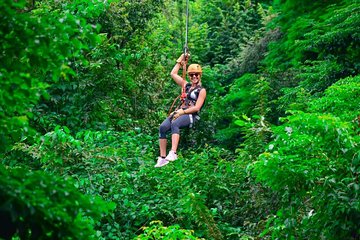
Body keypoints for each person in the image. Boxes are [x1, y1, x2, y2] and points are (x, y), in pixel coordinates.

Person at [155, 53, 207, 168]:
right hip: (180, 111)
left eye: (196, 75)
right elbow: (173, 74)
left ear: (200, 75)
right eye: (192, 75)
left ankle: (173, 152)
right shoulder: (186, 85)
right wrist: (180, 60)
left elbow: (197, 107)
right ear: (189, 76)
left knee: (175, 123)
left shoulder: (201, 90)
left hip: (190, 115)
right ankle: (163, 158)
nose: (194, 77)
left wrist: (182, 112)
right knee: (163, 127)